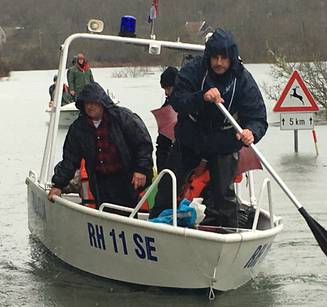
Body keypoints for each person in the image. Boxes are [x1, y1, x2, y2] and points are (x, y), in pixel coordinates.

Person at [149, 28, 268, 228]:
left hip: (223, 142)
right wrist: (201, 97)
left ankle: (229, 235)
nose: (219, 62)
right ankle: (155, 226)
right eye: (215, 57)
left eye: (224, 58)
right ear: (208, 56)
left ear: (232, 58)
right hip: (191, 137)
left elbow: (258, 117)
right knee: (168, 185)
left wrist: (251, 132)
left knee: (224, 196)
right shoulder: (194, 70)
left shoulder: (243, 80)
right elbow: (177, 100)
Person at [48, 82, 154, 211]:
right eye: (86, 103)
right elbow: (70, 159)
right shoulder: (78, 128)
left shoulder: (123, 118)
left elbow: (143, 144)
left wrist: (141, 170)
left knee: (127, 211)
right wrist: (58, 184)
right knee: (104, 211)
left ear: (102, 102)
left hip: (126, 177)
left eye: (93, 102)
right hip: (100, 181)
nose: (90, 106)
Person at [155, 66, 178, 172]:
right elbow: (162, 144)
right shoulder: (166, 108)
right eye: (164, 89)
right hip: (168, 153)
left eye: (168, 88)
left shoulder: (190, 103)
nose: (166, 92)